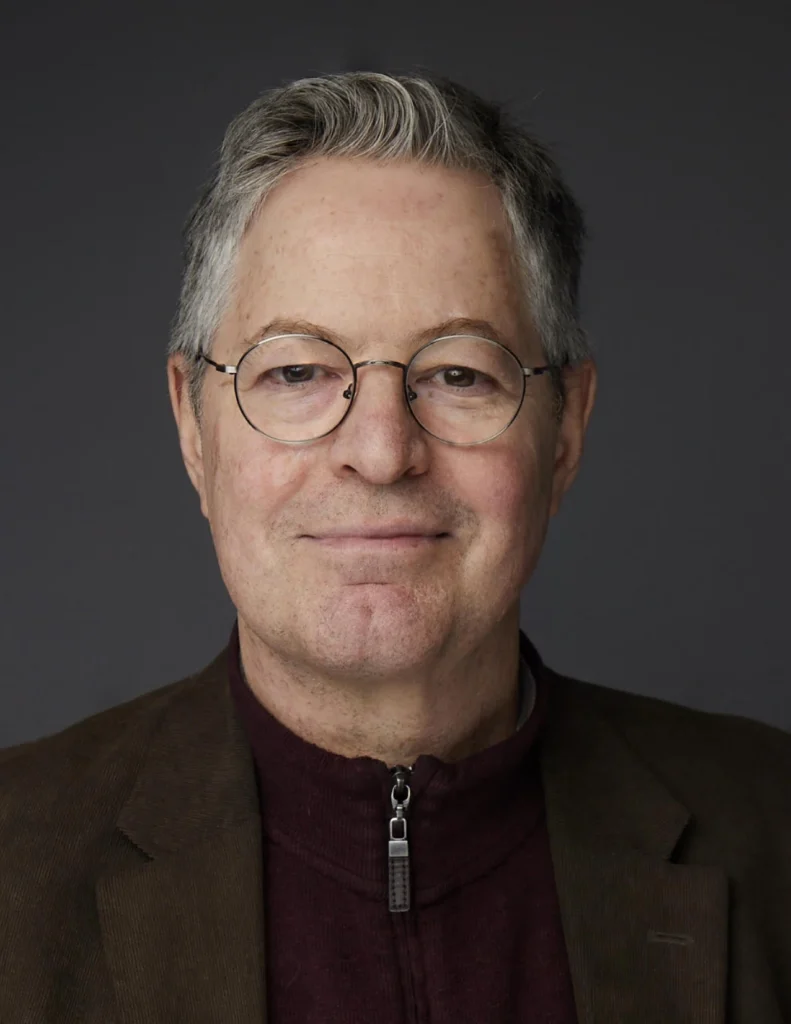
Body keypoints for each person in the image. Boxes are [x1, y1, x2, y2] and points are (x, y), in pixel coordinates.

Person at [1, 71, 789, 1024]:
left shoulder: (773, 831)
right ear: (194, 427)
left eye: (458, 371)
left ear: (566, 429)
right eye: (295, 370)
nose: (380, 452)